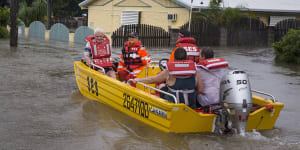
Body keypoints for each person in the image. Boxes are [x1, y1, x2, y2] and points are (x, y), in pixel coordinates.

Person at [132, 48, 204, 108]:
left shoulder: (169, 70)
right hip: (191, 104)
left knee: (161, 86)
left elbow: (153, 79)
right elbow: (200, 89)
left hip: (174, 103)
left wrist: (138, 80)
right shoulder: (195, 69)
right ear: (186, 57)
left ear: (174, 58)